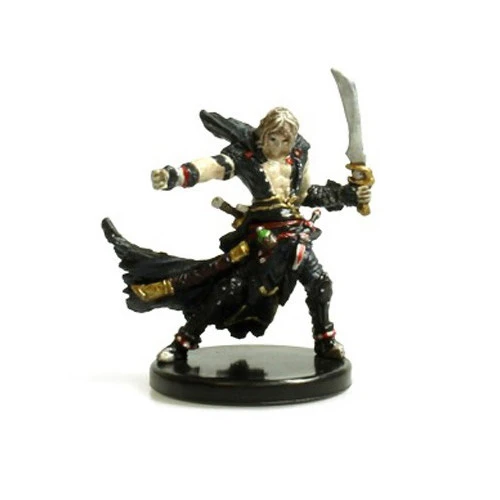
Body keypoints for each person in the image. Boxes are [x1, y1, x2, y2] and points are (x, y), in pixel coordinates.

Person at [103, 107, 371, 363]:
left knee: (320, 283)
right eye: (273, 139)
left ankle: (325, 342)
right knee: (227, 289)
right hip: (263, 239)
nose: (278, 146)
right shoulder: (247, 157)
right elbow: (214, 166)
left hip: (297, 236)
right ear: (263, 135)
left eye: (284, 141)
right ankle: (183, 341)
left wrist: (347, 195)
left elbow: (306, 194)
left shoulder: (298, 157)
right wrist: (175, 175)